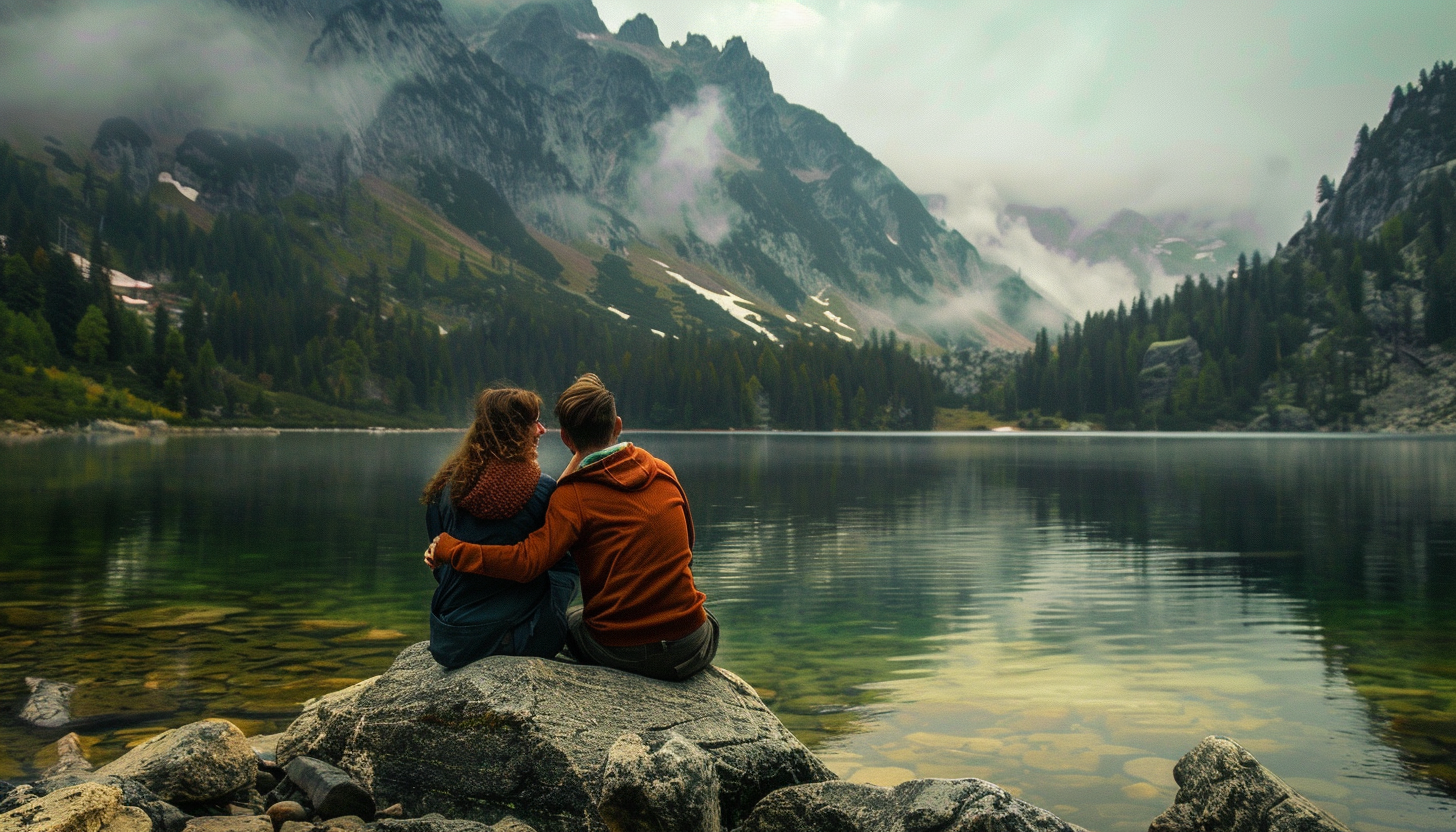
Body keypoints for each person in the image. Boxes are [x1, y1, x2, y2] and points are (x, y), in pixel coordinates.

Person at [425, 373, 717, 681]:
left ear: (565, 438)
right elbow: (688, 547)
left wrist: (452, 549)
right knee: (703, 615)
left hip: (621, 649)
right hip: (691, 645)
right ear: (617, 425)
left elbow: (528, 562)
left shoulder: (568, 498)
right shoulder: (663, 471)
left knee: (574, 622)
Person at [421, 386, 579, 669]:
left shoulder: (444, 488)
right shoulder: (542, 490)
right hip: (524, 640)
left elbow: (440, 569)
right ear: (515, 431)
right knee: (565, 564)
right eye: (534, 422)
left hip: (451, 640)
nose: (541, 430)